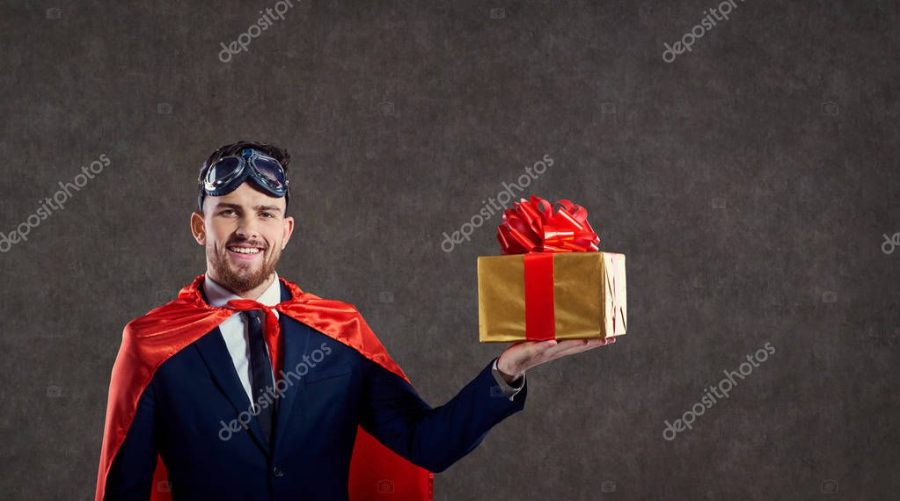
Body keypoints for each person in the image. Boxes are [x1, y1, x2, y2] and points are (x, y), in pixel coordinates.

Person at [95, 140, 616, 501]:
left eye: (265, 213)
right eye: (228, 211)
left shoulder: (337, 329)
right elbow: (122, 488)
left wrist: (506, 370)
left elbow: (425, 445)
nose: (247, 229)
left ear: (287, 229)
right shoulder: (152, 342)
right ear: (198, 226)